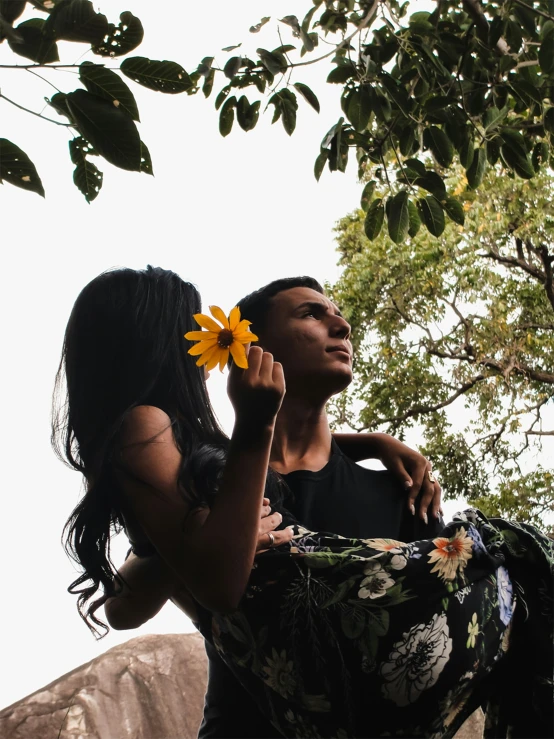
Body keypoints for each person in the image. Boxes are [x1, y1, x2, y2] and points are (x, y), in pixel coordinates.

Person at [56, 270, 552, 739]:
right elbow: (125, 602)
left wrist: (369, 442)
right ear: (253, 349)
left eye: (337, 315)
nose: (342, 324)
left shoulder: (398, 491)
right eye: (311, 314)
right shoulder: (220, 476)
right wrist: (209, 540)